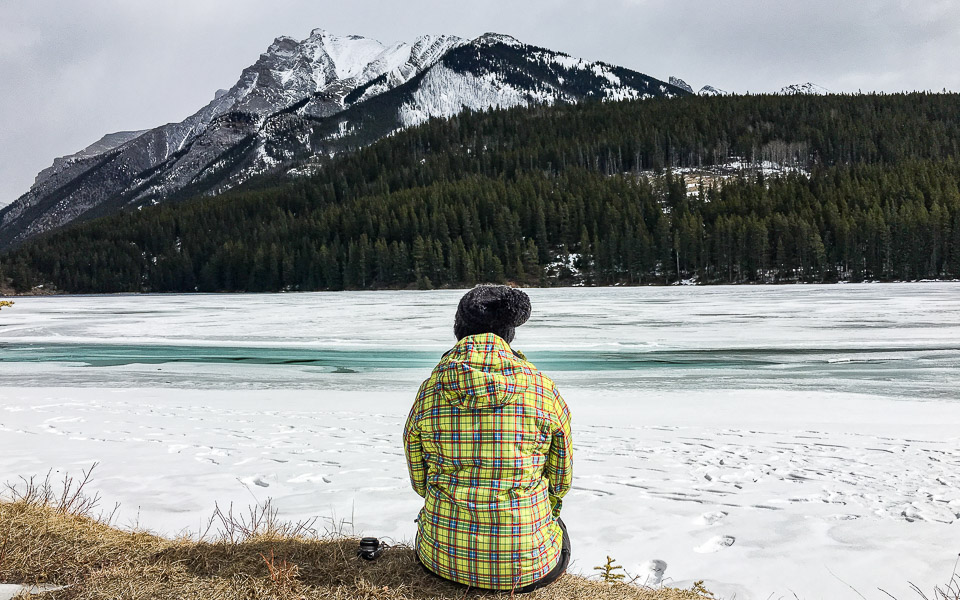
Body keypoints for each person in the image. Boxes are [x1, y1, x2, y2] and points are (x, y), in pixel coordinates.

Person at [403, 284, 573, 593]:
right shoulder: (542, 389)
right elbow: (561, 481)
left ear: (459, 331)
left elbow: (419, 480)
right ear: (509, 335)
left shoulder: (430, 390)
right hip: (527, 568)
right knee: (556, 528)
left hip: (441, 560)